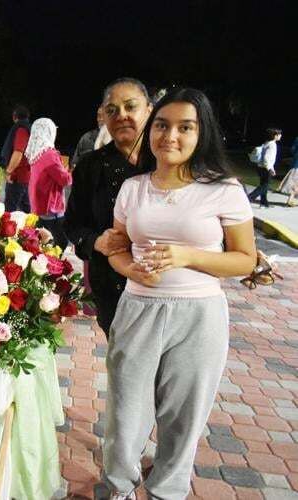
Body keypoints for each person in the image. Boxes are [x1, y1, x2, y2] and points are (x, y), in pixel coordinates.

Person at [104, 88, 256, 500]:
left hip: (199, 316)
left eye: (184, 127)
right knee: (125, 412)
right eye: (162, 125)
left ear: (200, 133)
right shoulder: (133, 188)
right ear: (150, 131)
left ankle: (166, 491)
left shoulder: (223, 189)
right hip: (137, 308)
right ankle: (117, 488)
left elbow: (245, 260)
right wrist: (127, 267)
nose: (170, 136)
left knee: (183, 416)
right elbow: (116, 246)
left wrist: (187, 255)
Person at [65, 77, 153, 336]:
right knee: (125, 367)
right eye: (112, 110)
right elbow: (73, 224)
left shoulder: (169, 163)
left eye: (130, 107)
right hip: (113, 289)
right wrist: (96, 242)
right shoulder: (90, 167)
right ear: (102, 116)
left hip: (166, 288)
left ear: (149, 110)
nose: (121, 115)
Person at [26, 118, 72, 250]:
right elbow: (64, 180)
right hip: (51, 207)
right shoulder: (50, 154)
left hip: (38, 204)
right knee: (61, 242)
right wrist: (70, 173)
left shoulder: (35, 153)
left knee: (41, 240)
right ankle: (52, 267)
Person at [2, 105, 32, 212]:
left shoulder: (21, 130)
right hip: (26, 176)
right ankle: (29, 228)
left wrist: (9, 171)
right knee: (27, 210)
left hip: (17, 177)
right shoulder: (29, 129)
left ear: (14, 117)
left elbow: (18, 152)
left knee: (9, 211)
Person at [247, 127, 282, 208]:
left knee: (263, 185)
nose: (280, 135)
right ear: (275, 136)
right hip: (266, 168)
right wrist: (270, 169)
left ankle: (264, 203)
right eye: (279, 134)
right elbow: (267, 158)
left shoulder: (266, 143)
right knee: (265, 186)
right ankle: (249, 198)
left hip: (260, 167)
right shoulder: (272, 145)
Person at [277, 136, 298, 206]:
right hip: (296, 165)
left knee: (295, 183)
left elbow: (292, 149)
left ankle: (290, 200)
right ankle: (290, 200)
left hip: (296, 164)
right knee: (295, 184)